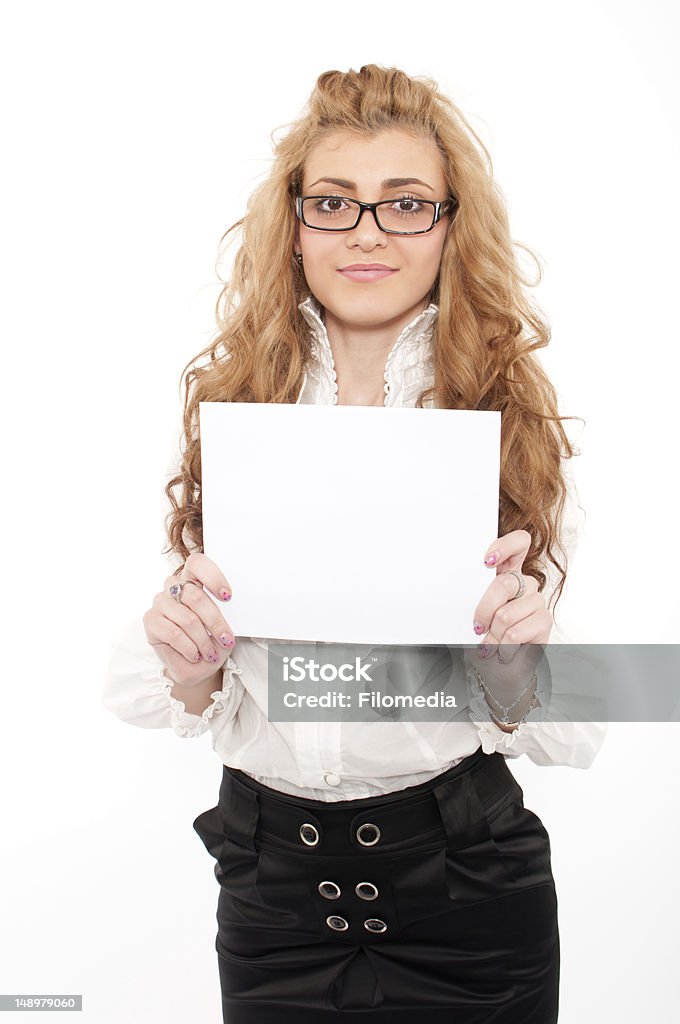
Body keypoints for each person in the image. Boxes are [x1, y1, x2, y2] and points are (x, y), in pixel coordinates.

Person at [103, 64, 606, 1023]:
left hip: (469, 888)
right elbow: (162, 686)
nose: (367, 231)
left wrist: (515, 664)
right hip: (270, 893)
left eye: (405, 204)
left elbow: (575, 727)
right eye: (333, 202)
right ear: (294, 220)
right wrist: (190, 658)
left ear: (450, 224)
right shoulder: (222, 405)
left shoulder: (511, 417)